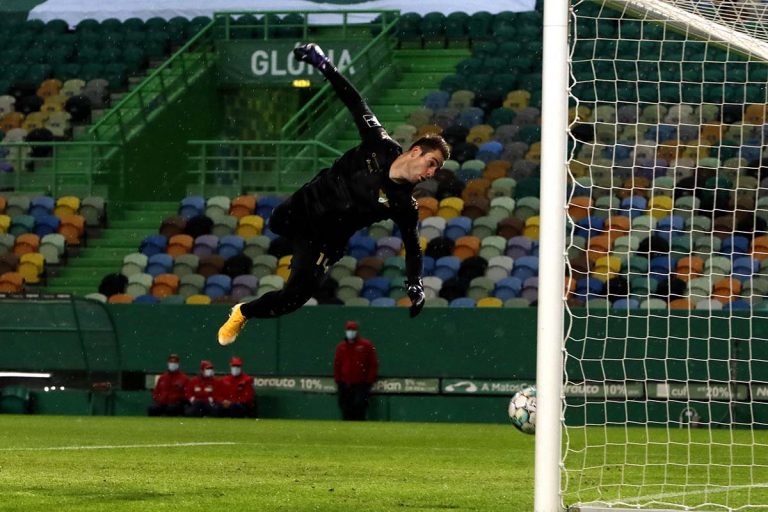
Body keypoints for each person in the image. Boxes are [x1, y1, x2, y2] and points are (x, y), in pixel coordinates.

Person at [217, 42, 450, 346]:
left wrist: (415, 284)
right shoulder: (378, 144)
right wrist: (323, 63)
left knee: (295, 297)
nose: (431, 173)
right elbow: (355, 101)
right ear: (416, 151)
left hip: (325, 240)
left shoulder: (405, 204)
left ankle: (242, 312)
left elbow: (413, 246)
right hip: (301, 209)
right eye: (431, 163)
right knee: (274, 224)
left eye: (437, 169)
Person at [334, 320, 379, 421]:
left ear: (357, 331)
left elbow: (373, 364)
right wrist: (338, 380)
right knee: (345, 407)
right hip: (345, 383)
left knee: (360, 406)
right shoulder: (341, 346)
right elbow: (337, 364)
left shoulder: (366, 345)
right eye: (349, 329)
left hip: (361, 383)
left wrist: (368, 381)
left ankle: (360, 425)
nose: (351, 332)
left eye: (353, 329)